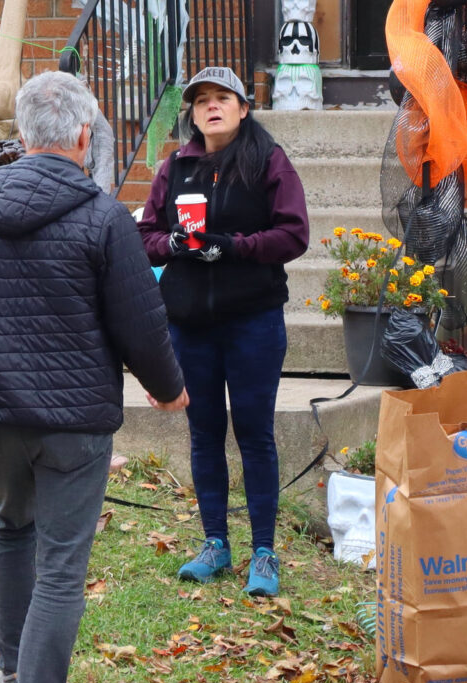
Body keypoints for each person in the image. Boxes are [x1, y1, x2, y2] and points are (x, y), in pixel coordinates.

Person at [0, 71, 188, 683]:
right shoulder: (103, 216)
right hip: (74, 423)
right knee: (61, 564)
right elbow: (141, 320)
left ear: (22, 134)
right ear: (85, 135)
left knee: (11, 526)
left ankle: (12, 673)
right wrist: (169, 387)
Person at [137, 66, 309, 597]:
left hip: (252, 320)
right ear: (192, 114)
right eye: (201, 101)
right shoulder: (175, 168)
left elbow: (294, 234)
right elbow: (144, 235)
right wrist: (174, 245)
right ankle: (215, 543)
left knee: (255, 433)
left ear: (243, 108)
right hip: (191, 325)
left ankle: (264, 552)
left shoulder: (268, 160)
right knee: (204, 432)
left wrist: (233, 247)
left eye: (222, 98)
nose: (211, 107)